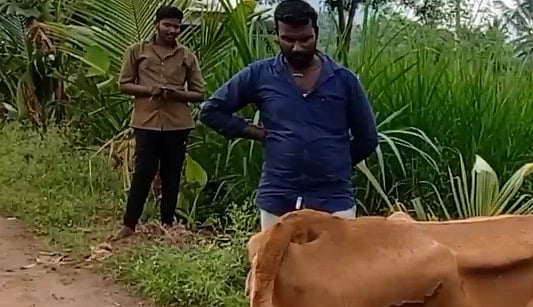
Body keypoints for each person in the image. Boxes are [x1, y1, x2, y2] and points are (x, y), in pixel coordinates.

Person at [199, 0, 379, 230]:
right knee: (277, 264)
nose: (297, 47)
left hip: (332, 198)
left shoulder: (344, 80)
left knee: (334, 265)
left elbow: (368, 138)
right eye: (288, 40)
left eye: (305, 39)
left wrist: (336, 161)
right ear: (276, 35)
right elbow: (211, 111)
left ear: (316, 32)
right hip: (279, 195)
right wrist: (257, 133)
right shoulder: (260, 75)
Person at [116, 5, 206, 238]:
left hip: (178, 124)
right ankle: (129, 223)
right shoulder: (137, 51)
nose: (173, 30)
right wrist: (149, 90)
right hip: (146, 121)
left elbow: (199, 93)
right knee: (143, 172)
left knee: (172, 173)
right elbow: (124, 84)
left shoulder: (187, 56)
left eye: (177, 26)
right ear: (157, 24)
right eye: (168, 25)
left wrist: (176, 93)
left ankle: (167, 224)